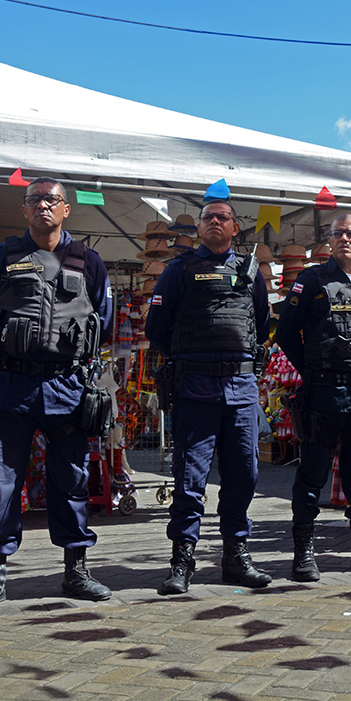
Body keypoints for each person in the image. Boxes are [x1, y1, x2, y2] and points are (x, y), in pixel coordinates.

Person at [0, 177, 113, 613]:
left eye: (52, 200)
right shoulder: (0, 259)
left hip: (68, 385)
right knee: (2, 482)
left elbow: (101, 321)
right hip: (12, 385)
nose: (43, 205)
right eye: (34, 200)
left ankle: (76, 571)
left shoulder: (90, 262)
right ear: (24, 210)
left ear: (66, 209)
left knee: (73, 479)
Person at [145, 199, 273, 595]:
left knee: (243, 476)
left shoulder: (251, 275)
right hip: (195, 390)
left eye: (223, 217)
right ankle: (182, 561)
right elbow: (157, 328)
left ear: (236, 228)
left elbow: (262, 325)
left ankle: (236, 558)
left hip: (241, 391)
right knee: (189, 479)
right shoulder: (178, 271)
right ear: (199, 228)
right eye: (208, 218)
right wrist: (193, 358)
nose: (215, 222)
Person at [275, 213, 351, 581]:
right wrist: (311, 370)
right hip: (323, 394)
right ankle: (303, 554)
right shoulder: (311, 281)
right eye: (338, 233)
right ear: (329, 240)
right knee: (311, 475)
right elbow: (285, 334)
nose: (345, 238)